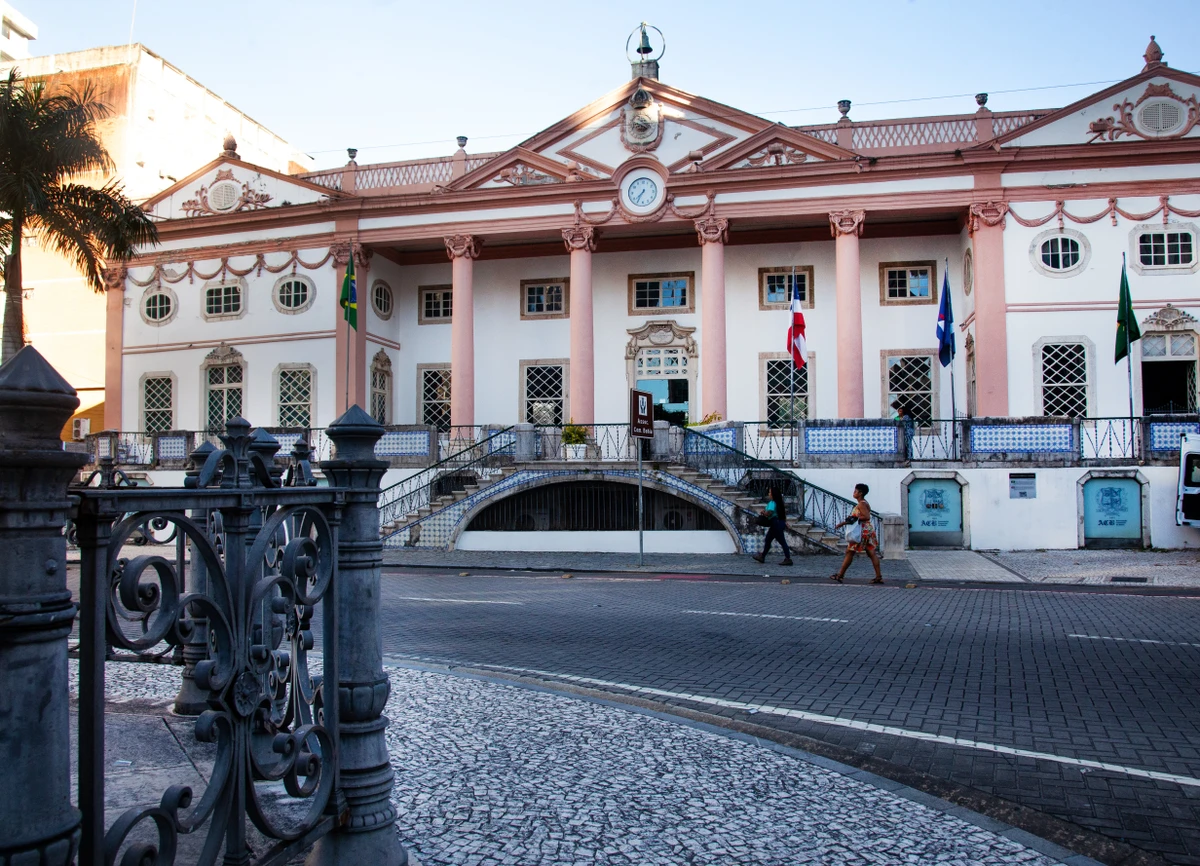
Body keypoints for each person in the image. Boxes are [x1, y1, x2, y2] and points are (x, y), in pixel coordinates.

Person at [830, 482, 883, 584]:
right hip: (867, 530)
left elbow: (866, 516)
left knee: (850, 552)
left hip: (861, 532)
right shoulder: (864, 503)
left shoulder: (861, 504)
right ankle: (878, 576)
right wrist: (844, 523)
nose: (854, 493)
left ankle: (840, 575)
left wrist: (851, 519)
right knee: (871, 553)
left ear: (860, 493)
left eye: (855, 491)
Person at [753, 485, 793, 566]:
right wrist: (785, 523)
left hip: (775, 524)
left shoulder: (772, 503)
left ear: (773, 494)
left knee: (782, 542)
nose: (769, 494)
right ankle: (762, 556)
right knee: (768, 539)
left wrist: (763, 512)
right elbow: (782, 515)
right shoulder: (779, 503)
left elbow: (769, 513)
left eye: (770, 492)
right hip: (779, 523)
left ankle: (788, 559)